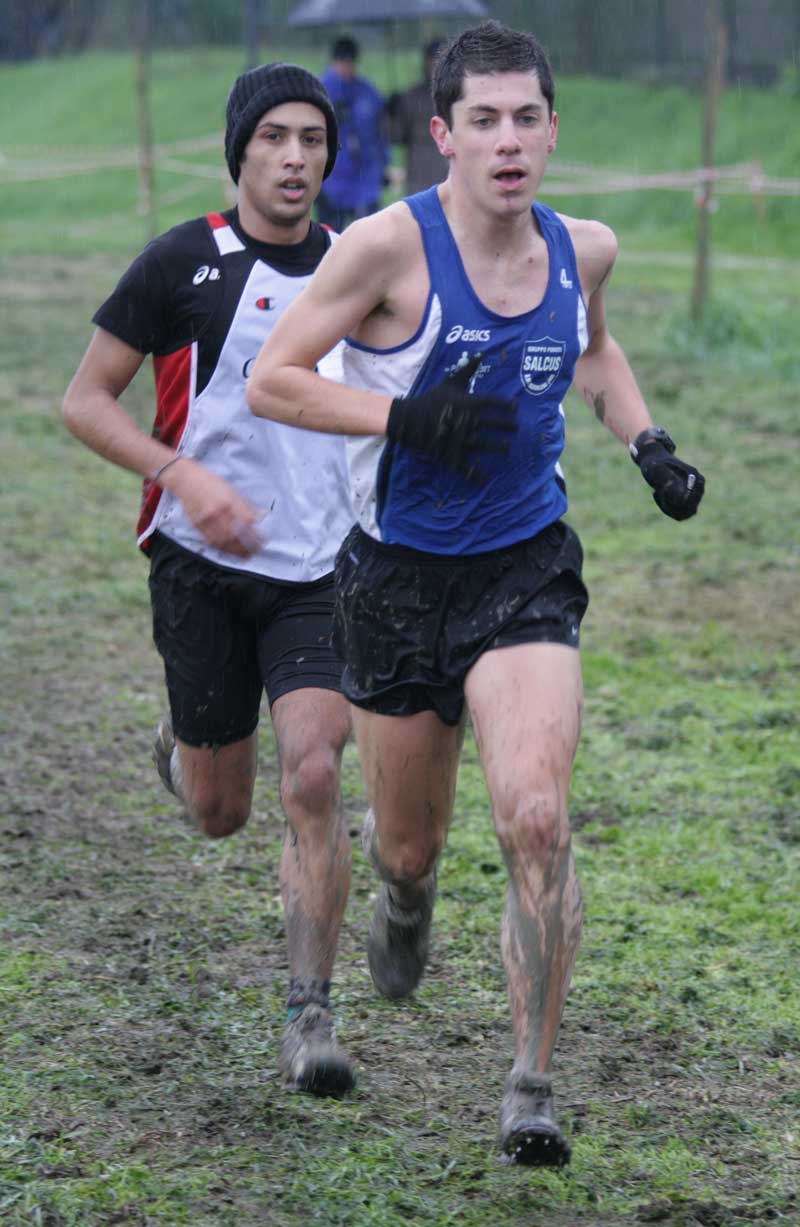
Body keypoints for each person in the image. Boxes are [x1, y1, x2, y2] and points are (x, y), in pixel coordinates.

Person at [246, 20, 705, 1164]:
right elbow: (274, 379)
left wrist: (645, 442)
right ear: (442, 135)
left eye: (527, 118)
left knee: (537, 818)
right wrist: (405, 415)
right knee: (405, 849)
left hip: (522, 565)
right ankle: (403, 902)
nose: (508, 142)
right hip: (394, 580)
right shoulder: (383, 252)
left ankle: (530, 1086)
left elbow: (591, 354)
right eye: (484, 121)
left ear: (552, 129)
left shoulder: (580, 248)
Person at [62, 62, 360, 1097]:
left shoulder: (359, 265)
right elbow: (85, 400)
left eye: (310, 139)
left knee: (315, 776)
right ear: (239, 150)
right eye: (273, 137)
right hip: (197, 565)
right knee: (219, 812)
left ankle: (309, 1016)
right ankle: (186, 743)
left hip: (321, 569)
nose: (292, 157)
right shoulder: (180, 263)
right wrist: (178, 471)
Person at [317, 35, 389, 231]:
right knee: (331, 241)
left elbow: (379, 131)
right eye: (342, 62)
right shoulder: (318, 91)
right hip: (331, 180)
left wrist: (384, 164)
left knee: (370, 238)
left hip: (365, 179)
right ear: (334, 61)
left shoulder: (366, 91)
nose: (346, 68)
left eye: (350, 62)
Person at [386, 38, 448, 195]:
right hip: (419, 178)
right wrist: (391, 112)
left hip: (449, 175)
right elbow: (395, 136)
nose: (434, 66)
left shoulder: (456, 98)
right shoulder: (411, 97)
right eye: (432, 60)